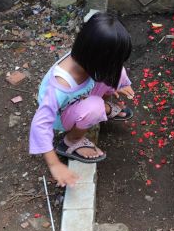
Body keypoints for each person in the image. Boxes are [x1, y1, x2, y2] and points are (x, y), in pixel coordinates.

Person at [29, 13, 135, 187]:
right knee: (95, 106)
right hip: (63, 113)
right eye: (112, 62)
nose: (115, 66)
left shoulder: (88, 59)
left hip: (81, 95)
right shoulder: (61, 85)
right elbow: (40, 124)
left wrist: (118, 81)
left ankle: (103, 107)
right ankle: (71, 141)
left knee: (118, 74)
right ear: (97, 59)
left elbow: (111, 70)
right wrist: (55, 164)